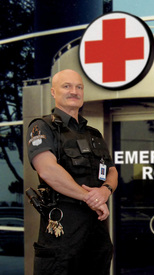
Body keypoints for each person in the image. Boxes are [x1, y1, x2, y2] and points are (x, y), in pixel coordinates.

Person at [26, 69, 118, 275]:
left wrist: (105, 191)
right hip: (63, 227)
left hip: (96, 230)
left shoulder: (93, 134)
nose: (74, 91)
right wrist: (89, 198)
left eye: (79, 87)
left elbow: (111, 171)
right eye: (66, 86)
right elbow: (48, 170)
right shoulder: (43, 127)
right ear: (53, 92)